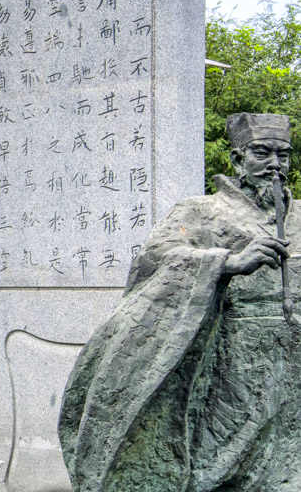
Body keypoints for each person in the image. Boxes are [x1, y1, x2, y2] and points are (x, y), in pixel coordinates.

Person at [59, 113, 301, 491]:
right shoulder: (200, 210)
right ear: (237, 160)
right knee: (217, 464)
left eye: (283, 156)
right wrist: (227, 262)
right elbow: (156, 256)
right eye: (261, 152)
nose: (275, 165)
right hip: (228, 361)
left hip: (291, 360)